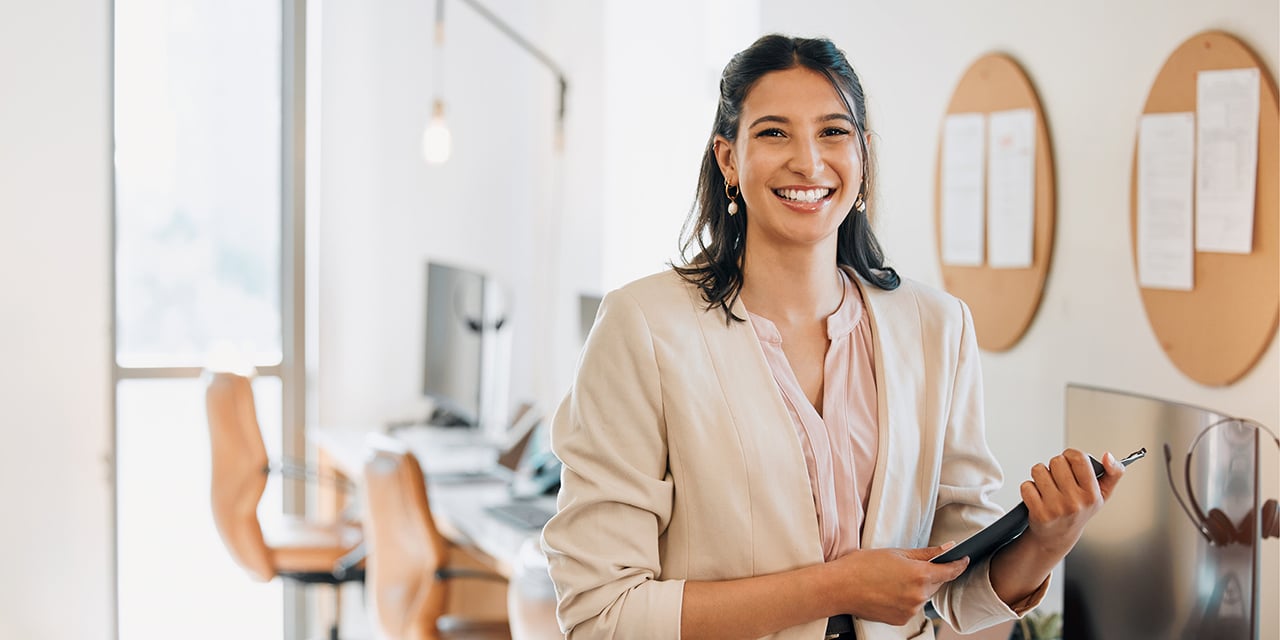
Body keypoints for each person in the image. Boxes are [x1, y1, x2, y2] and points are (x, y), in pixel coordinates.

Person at [540, 34, 1126, 640]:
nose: (809, 162)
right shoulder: (642, 327)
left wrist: (1049, 541)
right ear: (728, 159)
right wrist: (837, 587)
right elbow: (600, 613)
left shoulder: (937, 327)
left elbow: (954, 589)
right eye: (773, 133)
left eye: (833, 132)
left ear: (864, 154)